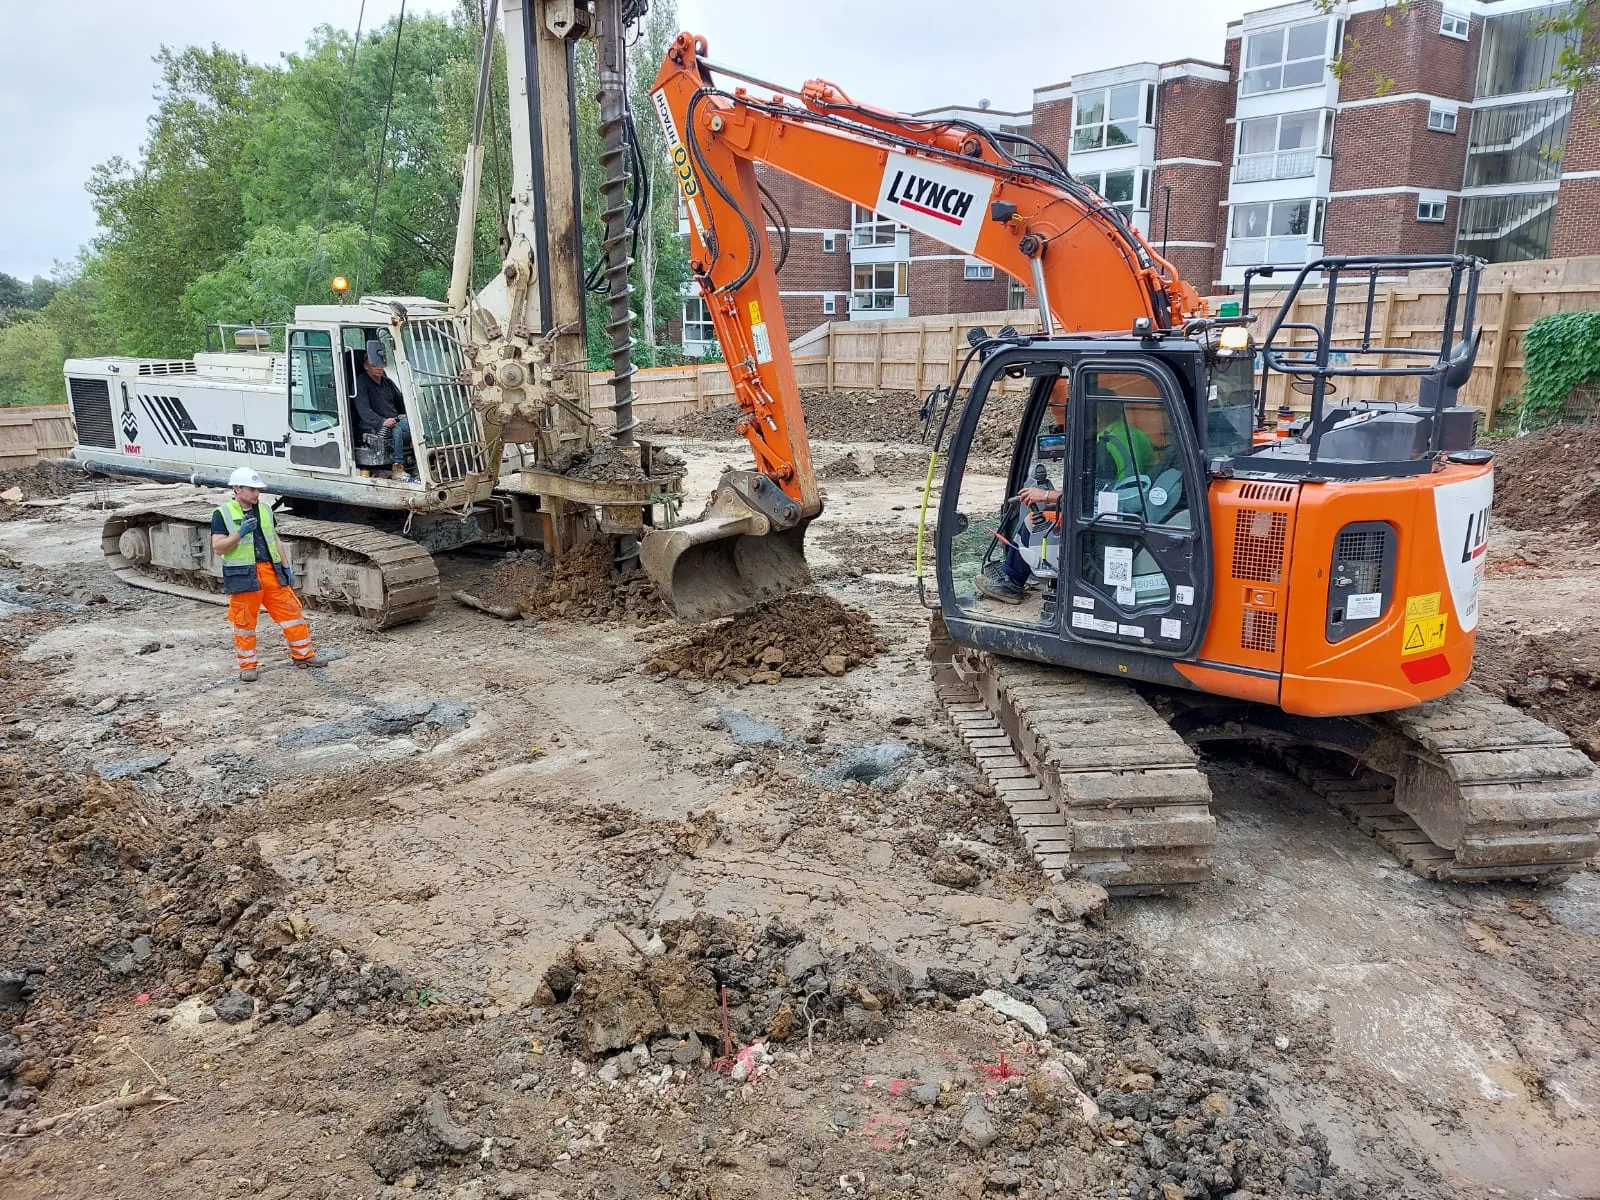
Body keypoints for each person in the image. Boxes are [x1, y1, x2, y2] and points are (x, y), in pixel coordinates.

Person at [974, 384, 1156, 605]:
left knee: (1032, 521)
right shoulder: (1138, 436)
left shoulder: (1104, 447)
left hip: (1105, 520)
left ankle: (1012, 582)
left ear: (1096, 415)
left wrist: (1047, 495)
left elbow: (1087, 496)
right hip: (1134, 508)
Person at [210, 468, 328, 681]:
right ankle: (248, 665)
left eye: (258, 489)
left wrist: (285, 566)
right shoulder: (223, 513)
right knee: (245, 622)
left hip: (271, 571)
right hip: (244, 575)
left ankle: (303, 655)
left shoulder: (265, 510)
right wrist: (240, 533)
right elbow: (218, 548)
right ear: (237, 488)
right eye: (252, 489)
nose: (257, 494)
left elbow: (275, 540)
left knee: (291, 614)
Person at [353, 339, 416, 481]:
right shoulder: (360, 384)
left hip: (394, 420)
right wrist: (382, 421)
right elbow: (364, 411)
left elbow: (400, 402)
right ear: (366, 366)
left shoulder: (387, 382)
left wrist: (410, 415)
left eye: (381, 365)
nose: (379, 368)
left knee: (418, 426)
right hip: (370, 423)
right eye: (375, 365)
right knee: (397, 430)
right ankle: (397, 467)